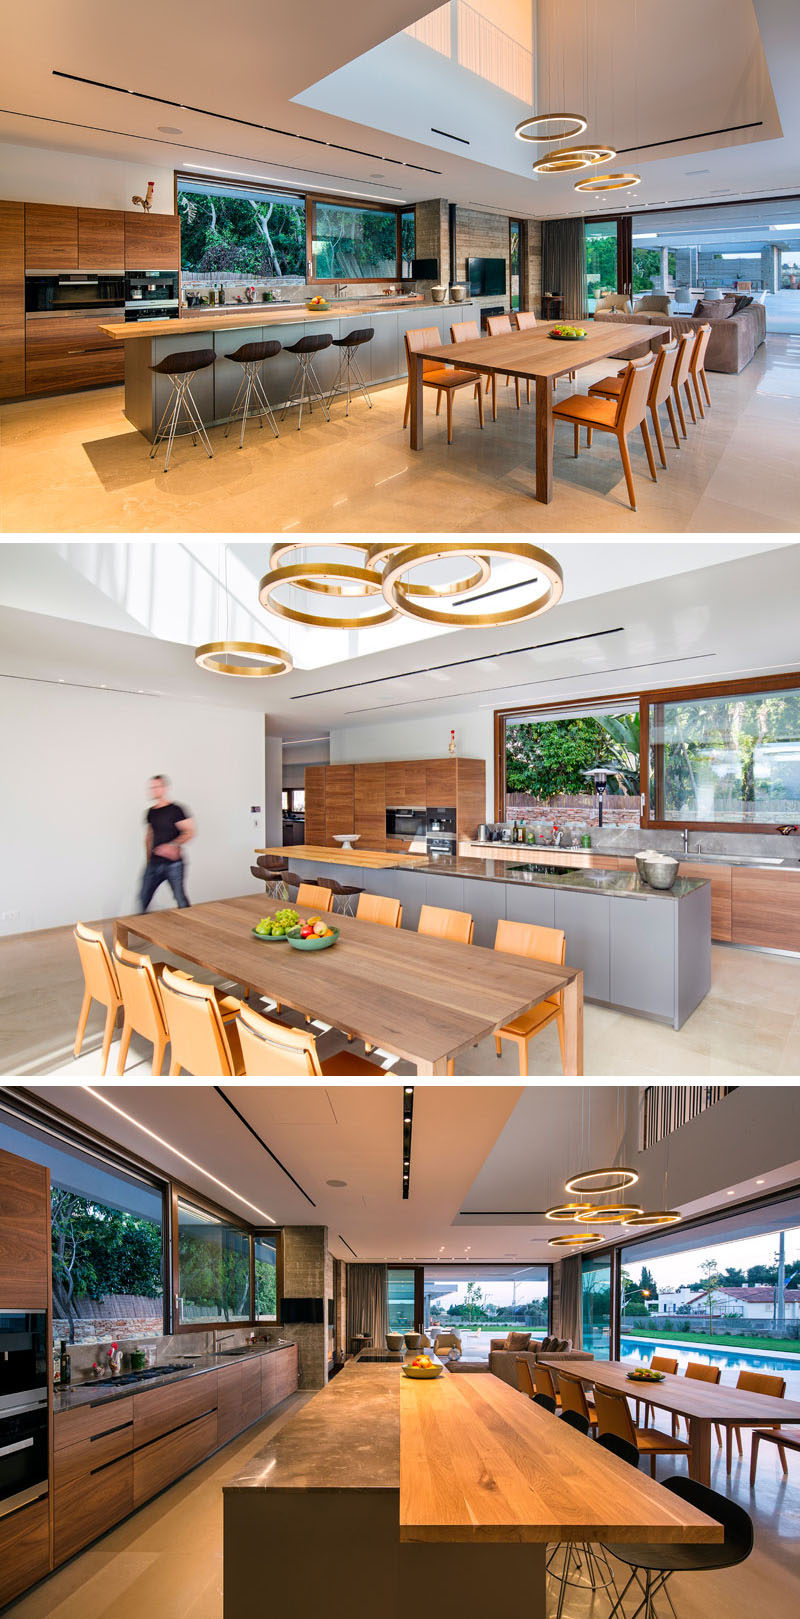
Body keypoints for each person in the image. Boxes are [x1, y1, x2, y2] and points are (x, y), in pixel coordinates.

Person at [139, 775, 195, 911]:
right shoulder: (150, 813)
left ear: (165, 788)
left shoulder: (176, 810)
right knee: (143, 897)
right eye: (152, 787)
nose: (154, 790)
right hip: (154, 863)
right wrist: (148, 860)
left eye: (157, 787)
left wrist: (172, 846)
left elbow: (189, 832)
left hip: (173, 864)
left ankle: (191, 926)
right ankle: (139, 928)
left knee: (180, 898)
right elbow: (149, 837)